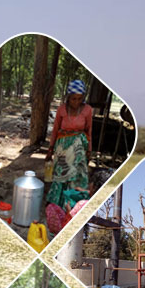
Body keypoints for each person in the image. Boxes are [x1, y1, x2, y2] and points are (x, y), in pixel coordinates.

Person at [46, 79, 93, 209]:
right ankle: (57, 204)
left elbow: (89, 131)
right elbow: (55, 129)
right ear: (68, 97)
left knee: (76, 176)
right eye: (73, 99)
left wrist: (89, 151)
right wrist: (50, 149)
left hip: (78, 150)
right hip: (62, 148)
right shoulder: (61, 109)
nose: (76, 102)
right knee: (60, 174)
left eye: (79, 99)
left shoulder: (88, 110)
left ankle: (72, 205)